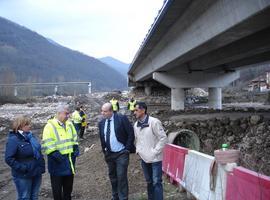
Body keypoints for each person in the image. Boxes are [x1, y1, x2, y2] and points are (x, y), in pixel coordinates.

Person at [98, 102, 135, 200]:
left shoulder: (121, 119)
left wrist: (127, 149)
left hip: (121, 153)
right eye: (102, 111)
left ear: (111, 111)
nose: (102, 113)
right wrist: (105, 151)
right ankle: (115, 196)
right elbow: (102, 137)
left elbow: (131, 133)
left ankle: (123, 197)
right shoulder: (101, 123)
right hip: (109, 154)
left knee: (121, 176)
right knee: (113, 177)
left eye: (105, 111)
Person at [42, 104, 79, 200]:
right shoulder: (49, 127)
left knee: (68, 190)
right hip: (57, 165)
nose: (68, 115)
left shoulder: (70, 124)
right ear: (59, 113)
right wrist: (61, 159)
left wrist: (75, 150)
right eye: (66, 113)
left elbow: (75, 139)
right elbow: (48, 145)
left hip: (70, 163)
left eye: (69, 113)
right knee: (57, 192)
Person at [5, 116, 45, 200]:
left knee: (34, 196)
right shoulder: (13, 139)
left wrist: (41, 166)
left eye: (29, 124)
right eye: (27, 124)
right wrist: (23, 168)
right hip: (23, 175)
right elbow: (8, 158)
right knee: (24, 197)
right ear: (20, 126)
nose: (30, 126)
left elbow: (38, 152)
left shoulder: (31, 137)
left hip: (36, 172)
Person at [133, 102, 168, 200]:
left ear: (143, 110)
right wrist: (138, 150)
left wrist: (155, 151)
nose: (134, 112)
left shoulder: (154, 122)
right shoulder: (136, 125)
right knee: (149, 181)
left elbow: (163, 138)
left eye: (136, 110)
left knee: (156, 181)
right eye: (134, 110)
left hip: (155, 158)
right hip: (144, 158)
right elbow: (138, 139)